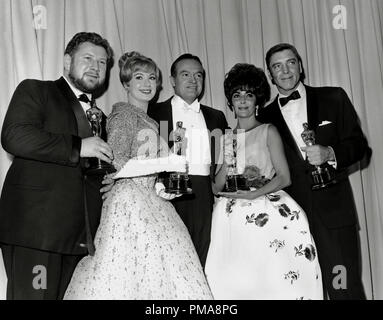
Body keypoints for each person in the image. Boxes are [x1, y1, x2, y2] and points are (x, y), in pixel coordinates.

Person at [64, 52, 213, 299]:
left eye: (152, 78)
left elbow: (150, 170)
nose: (146, 84)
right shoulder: (123, 114)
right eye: (139, 78)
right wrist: (165, 161)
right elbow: (116, 162)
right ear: (126, 84)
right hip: (129, 204)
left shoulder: (150, 121)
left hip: (152, 202)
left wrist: (163, 185)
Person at [0, 32, 114, 299]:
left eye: (102, 63)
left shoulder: (103, 118)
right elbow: (14, 136)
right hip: (38, 235)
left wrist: (110, 181)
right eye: (87, 58)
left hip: (80, 240)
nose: (96, 67)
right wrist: (78, 146)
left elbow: (90, 172)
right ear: (66, 62)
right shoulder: (36, 90)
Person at [257, 43, 368, 299]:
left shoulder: (333, 97)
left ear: (301, 66)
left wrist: (330, 153)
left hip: (334, 215)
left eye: (291, 62)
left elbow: (359, 146)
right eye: (277, 66)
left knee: (344, 289)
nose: (285, 71)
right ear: (270, 74)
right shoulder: (264, 118)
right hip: (291, 221)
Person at [204, 63, 323, 300]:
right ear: (231, 101)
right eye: (237, 95)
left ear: (257, 99)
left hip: (266, 207)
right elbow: (216, 188)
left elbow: (284, 177)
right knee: (236, 281)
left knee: (274, 277)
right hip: (230, 216)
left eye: (249, 94)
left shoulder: (269, 131)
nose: (243, 101)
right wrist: (228, 160)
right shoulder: (225, 137)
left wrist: (253, 195)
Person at [147, 54, 228, 268]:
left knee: (203, 259)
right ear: (172, 80)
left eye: (198, 75)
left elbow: (225, 161)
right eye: (186, 74)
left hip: (204, 195)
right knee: (169, 261)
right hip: (165, 194)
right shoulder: (153, 112)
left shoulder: (217, 117)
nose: (193, 80)